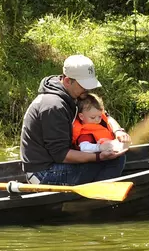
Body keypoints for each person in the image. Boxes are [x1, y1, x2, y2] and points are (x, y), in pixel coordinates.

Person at [20, 54, 131, 185]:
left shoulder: (75, 94)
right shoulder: (54, 106)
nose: (88, 89)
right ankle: (97, 201)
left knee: (116, 155)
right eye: (83, 85)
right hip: (43, 173)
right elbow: (61, 155)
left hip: (54, 164)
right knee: (116, 160)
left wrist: (118, 131)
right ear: (67, 81)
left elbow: (105, 116)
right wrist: (99, 156)